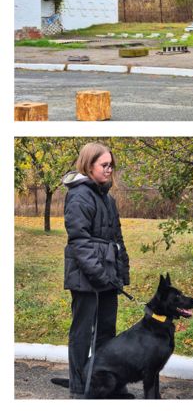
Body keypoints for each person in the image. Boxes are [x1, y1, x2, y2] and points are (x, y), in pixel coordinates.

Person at [63, 141, 130, 398]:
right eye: (104, 165)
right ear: (89, 166)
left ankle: (101, 384)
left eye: (111, 165)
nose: (109, 169)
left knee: (106, 332)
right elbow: (79, 241)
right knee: (82, 333)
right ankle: (79, 388)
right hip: (85, 278)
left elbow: (117, 238)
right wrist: (99, 274)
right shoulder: (79, 196)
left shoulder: (108, 199)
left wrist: (120, 273)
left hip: (108, 276)